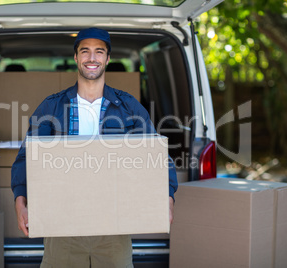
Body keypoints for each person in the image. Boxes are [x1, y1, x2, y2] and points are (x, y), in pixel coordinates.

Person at [11, 27, 178, 268]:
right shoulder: (52, 107)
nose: (92, 58)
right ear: (76, 57)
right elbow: (27, 158)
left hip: (114, 226)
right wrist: (20, 199)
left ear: (108, 58)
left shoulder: (128, 107)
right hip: (62, 227)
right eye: (85, 51)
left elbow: (156, 156)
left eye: (99, 52)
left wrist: (167, 197)